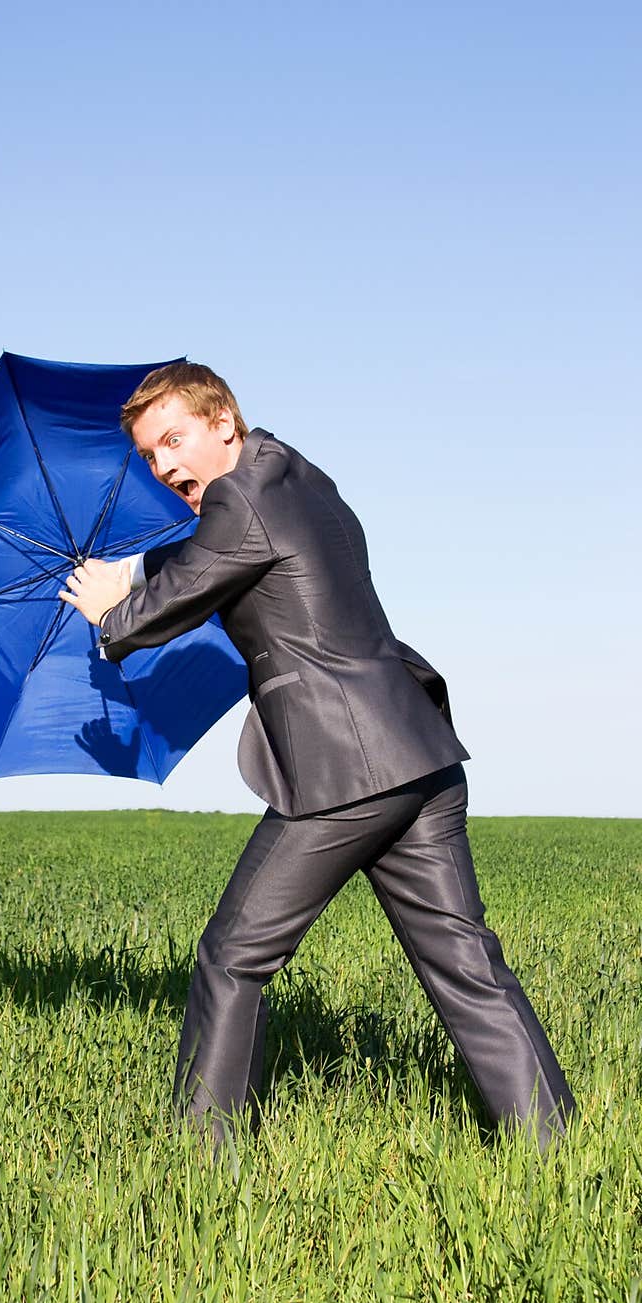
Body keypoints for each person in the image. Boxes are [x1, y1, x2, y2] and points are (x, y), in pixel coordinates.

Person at [58, 362, 576, 1153]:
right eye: (150, 457)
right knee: (468, 965)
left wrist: (111, 613)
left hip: (346, 773)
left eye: (174, 440)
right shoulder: (295, 476)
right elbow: (215, 554)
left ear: (222, 421)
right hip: (418, 752)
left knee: (232, 958)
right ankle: (558, 1146)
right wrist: (135, 567)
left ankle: (202, 1161)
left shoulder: (239, 499)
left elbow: (184, 586)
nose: (164, 467)